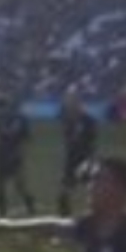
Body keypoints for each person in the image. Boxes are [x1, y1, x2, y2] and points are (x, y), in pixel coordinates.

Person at [0, 94, 37, 218]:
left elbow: (22, 135)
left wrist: (5, 132)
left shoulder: (19, 118)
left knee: (18, 183)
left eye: (3, 106)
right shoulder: (0, 117)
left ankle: (28, 202)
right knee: (0, 182)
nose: (2, 109)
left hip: (13, 153)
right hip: (1, 152)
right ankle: (2, 209)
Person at [56, 92, 100, 220]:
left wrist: (92, 156)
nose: (71, 106)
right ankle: (64, 212)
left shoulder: (89, 121)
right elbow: (68, 138)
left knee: (90, 185)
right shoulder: (67, 119)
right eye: (69, 104)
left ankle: (93, 210)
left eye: (73, 103)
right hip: (72, 156)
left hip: (85, 156)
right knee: (67, 186)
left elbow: (92, 140)